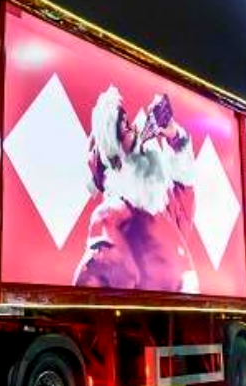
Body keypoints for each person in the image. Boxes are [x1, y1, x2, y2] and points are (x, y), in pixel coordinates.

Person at [74, 86, 200, 293]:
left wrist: (174, 135)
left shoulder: (162, 201)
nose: (134, 129)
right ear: (115, 158)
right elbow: (91, 282)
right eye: (125, 128)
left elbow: (185, 186)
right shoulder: (110, 217)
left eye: (129, 123)